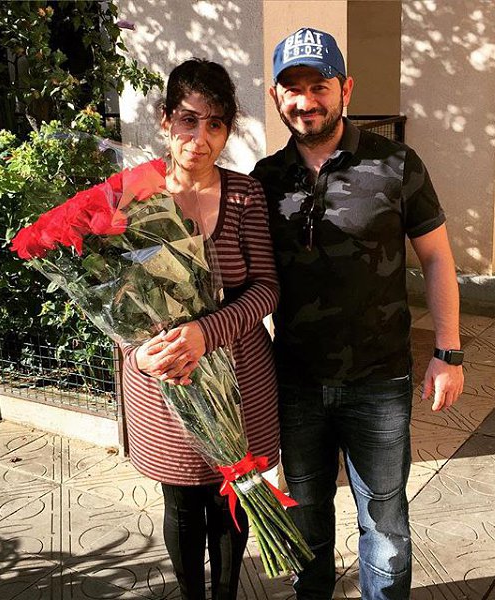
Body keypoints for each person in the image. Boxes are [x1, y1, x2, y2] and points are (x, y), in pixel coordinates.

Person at [251, 28, 464, 600]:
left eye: (318, 86)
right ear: (275, 97)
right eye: (292, 89)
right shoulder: (264, 179)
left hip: (379, 380)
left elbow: (437, 258)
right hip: (295, 382)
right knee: (305, 519)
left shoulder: (396, 163)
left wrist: (448, 352)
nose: (305, 101)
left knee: (385, 525)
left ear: (345, 89)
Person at [120, 59, 280, 600]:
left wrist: (208, 333)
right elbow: (111, 294)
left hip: (241, 378)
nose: (200, 137)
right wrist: (136, 354)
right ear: (166, 120)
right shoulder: (134, 194)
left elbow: (266, 287)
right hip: (166, 381)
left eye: (215, 124)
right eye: (189, 120)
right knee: (184, 502)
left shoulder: (245, 195)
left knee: (234, 497)